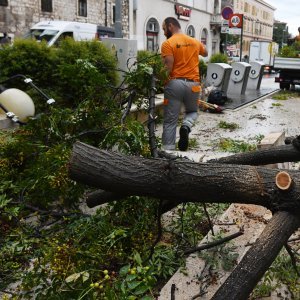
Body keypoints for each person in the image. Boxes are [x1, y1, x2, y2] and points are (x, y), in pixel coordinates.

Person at [161, 17, 207, 151]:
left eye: (164, 29)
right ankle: (186, 126)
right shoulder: (194, 41)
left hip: (175, 84)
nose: (164, 32)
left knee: (170, 120)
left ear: (170, 26)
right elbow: (206, 52)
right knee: (192, 112)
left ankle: (168, 152)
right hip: (193, 84)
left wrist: (157, 78)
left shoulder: (168, 43)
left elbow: (167, 68)